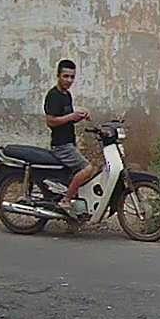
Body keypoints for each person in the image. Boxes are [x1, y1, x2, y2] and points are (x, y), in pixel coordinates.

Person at [43, 59, 97, 214]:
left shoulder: (67, 95)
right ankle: (66, 200)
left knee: (79, 174)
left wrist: (80, 116)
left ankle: (73, 207)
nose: (69, 80)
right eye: (65, 76)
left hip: (69, 142)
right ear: (58, 76)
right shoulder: (53, 95)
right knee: (87, 169)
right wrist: (72, 116)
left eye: (72, 77)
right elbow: (51, 121)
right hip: (61, 145)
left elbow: (67, 118)